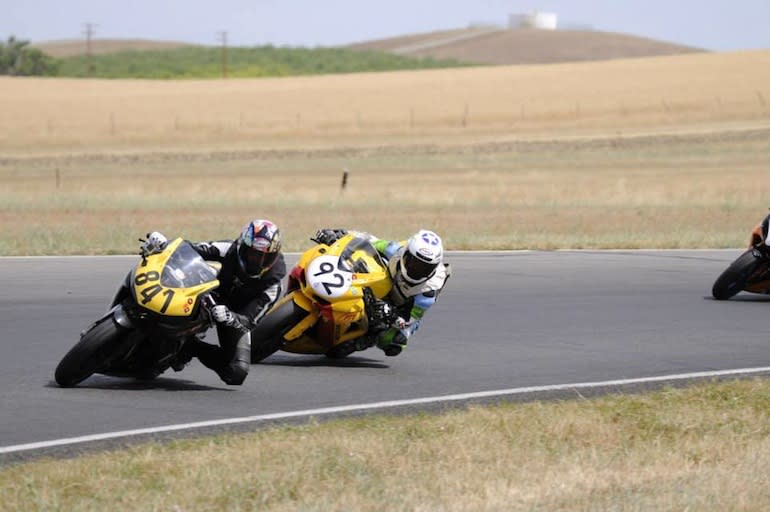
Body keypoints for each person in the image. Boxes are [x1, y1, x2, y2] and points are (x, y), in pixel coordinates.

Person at [144, 219, 285, 385]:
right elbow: (188, 249)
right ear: (242, 247)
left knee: (236, 373)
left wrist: (231, 317)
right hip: (206, 296)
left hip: (233, 317)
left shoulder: (273, 285)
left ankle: (192, 347)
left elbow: (250, 321)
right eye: (254, 254)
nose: (258, 262)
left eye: (265, 257)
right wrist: (164, 244)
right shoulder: (227, 249)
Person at [312, 228, 450, 357]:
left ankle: (361, 342)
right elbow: (369, 240)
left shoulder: (427, 294)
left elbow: (410, 322)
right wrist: (339, 235)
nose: (416, 269)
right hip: (386, 282)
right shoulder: (396, 250)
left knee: (393, 342)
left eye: (424, 268)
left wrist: (394, 317)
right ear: (405, 254)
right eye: (413, 262)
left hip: (402, 307)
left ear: (433, 268)